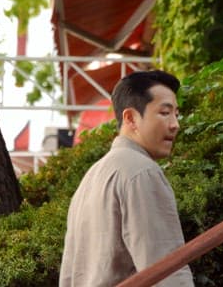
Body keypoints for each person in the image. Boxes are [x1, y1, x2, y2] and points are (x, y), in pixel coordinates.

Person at [59, 70, 194, 287]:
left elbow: (69, 275)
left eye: (176, 114)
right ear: (130, 118)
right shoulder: (141, 172)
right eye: (164, 113)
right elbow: (165, 271)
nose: (175, 124)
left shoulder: (90, 179)